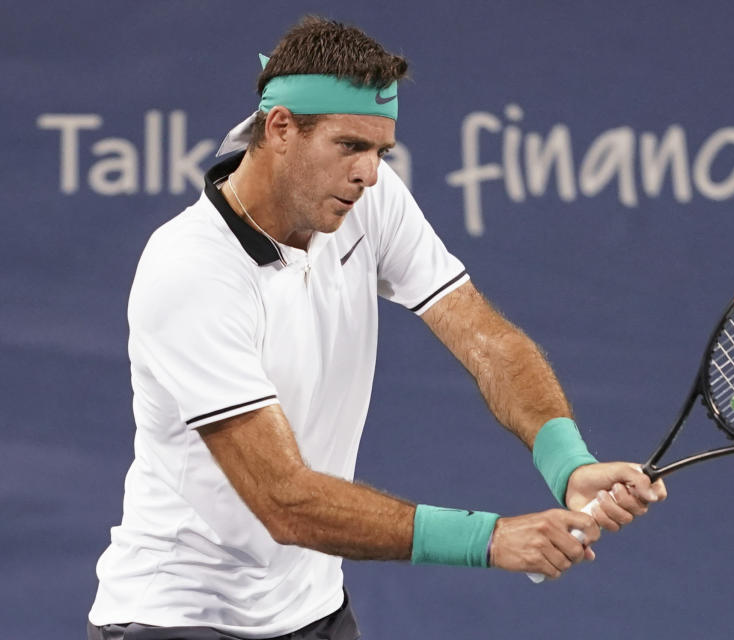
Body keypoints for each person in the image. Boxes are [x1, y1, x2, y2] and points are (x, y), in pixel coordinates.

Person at [87, 15, 667, 640]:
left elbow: (484, 338)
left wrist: (569, 463)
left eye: (380, 151)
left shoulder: (371, 198)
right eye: (349, 147)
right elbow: (285, 500)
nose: (368, 173)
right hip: (176, 619)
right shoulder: (191, 270)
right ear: (281, 127)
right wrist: (488, 539)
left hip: (313, 613)